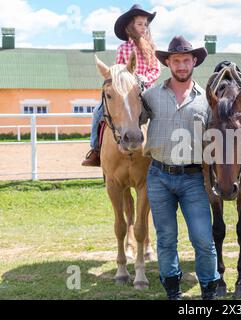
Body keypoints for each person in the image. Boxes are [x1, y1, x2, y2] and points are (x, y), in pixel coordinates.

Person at [140, 35, 220, 300]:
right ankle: (172, 291)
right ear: (168, 63)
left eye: (186, 60)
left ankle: (209, 290)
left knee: (202, 239)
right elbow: (128, 117)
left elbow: (216, 137)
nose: (182, 65)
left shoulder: (207, 101)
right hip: (159, 175)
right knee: (165, 238)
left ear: (194, 61)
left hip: (193, 178)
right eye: (177, 60)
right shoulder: (150, 96)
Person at [82, 4, 160, 166]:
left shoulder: (152, 48)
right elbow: (118, 72)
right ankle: (95, 149)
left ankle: (163, 149)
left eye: (146, 24)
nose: (144, 28)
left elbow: (156, 69)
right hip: (127, 91)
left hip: (148, 89)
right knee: (98, 111)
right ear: (130, 27)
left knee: (163, 111)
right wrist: (127, 82)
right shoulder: (123, 48)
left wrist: (144, 79)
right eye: (140, 24)